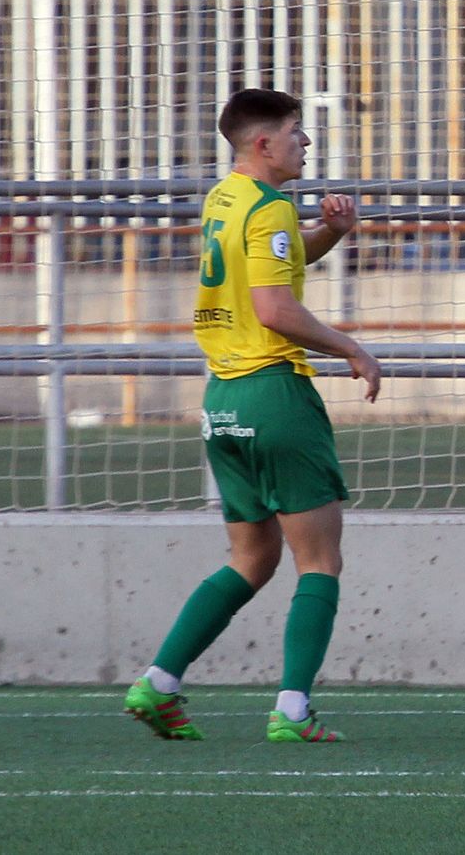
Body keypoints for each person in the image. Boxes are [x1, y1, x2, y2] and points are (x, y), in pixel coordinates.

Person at [124, 88, 382, 743]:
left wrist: (331, 232)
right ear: (264, 144)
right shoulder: (268, 208)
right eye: (296, 131)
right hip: (274, 395)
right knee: (319, 561)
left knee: (251, 558)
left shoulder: (225, 199)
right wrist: (351, 347)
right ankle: (292, 711)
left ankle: (159, 682)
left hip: (223, 402)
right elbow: (274, 308)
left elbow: (274, 265)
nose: (306, 142)